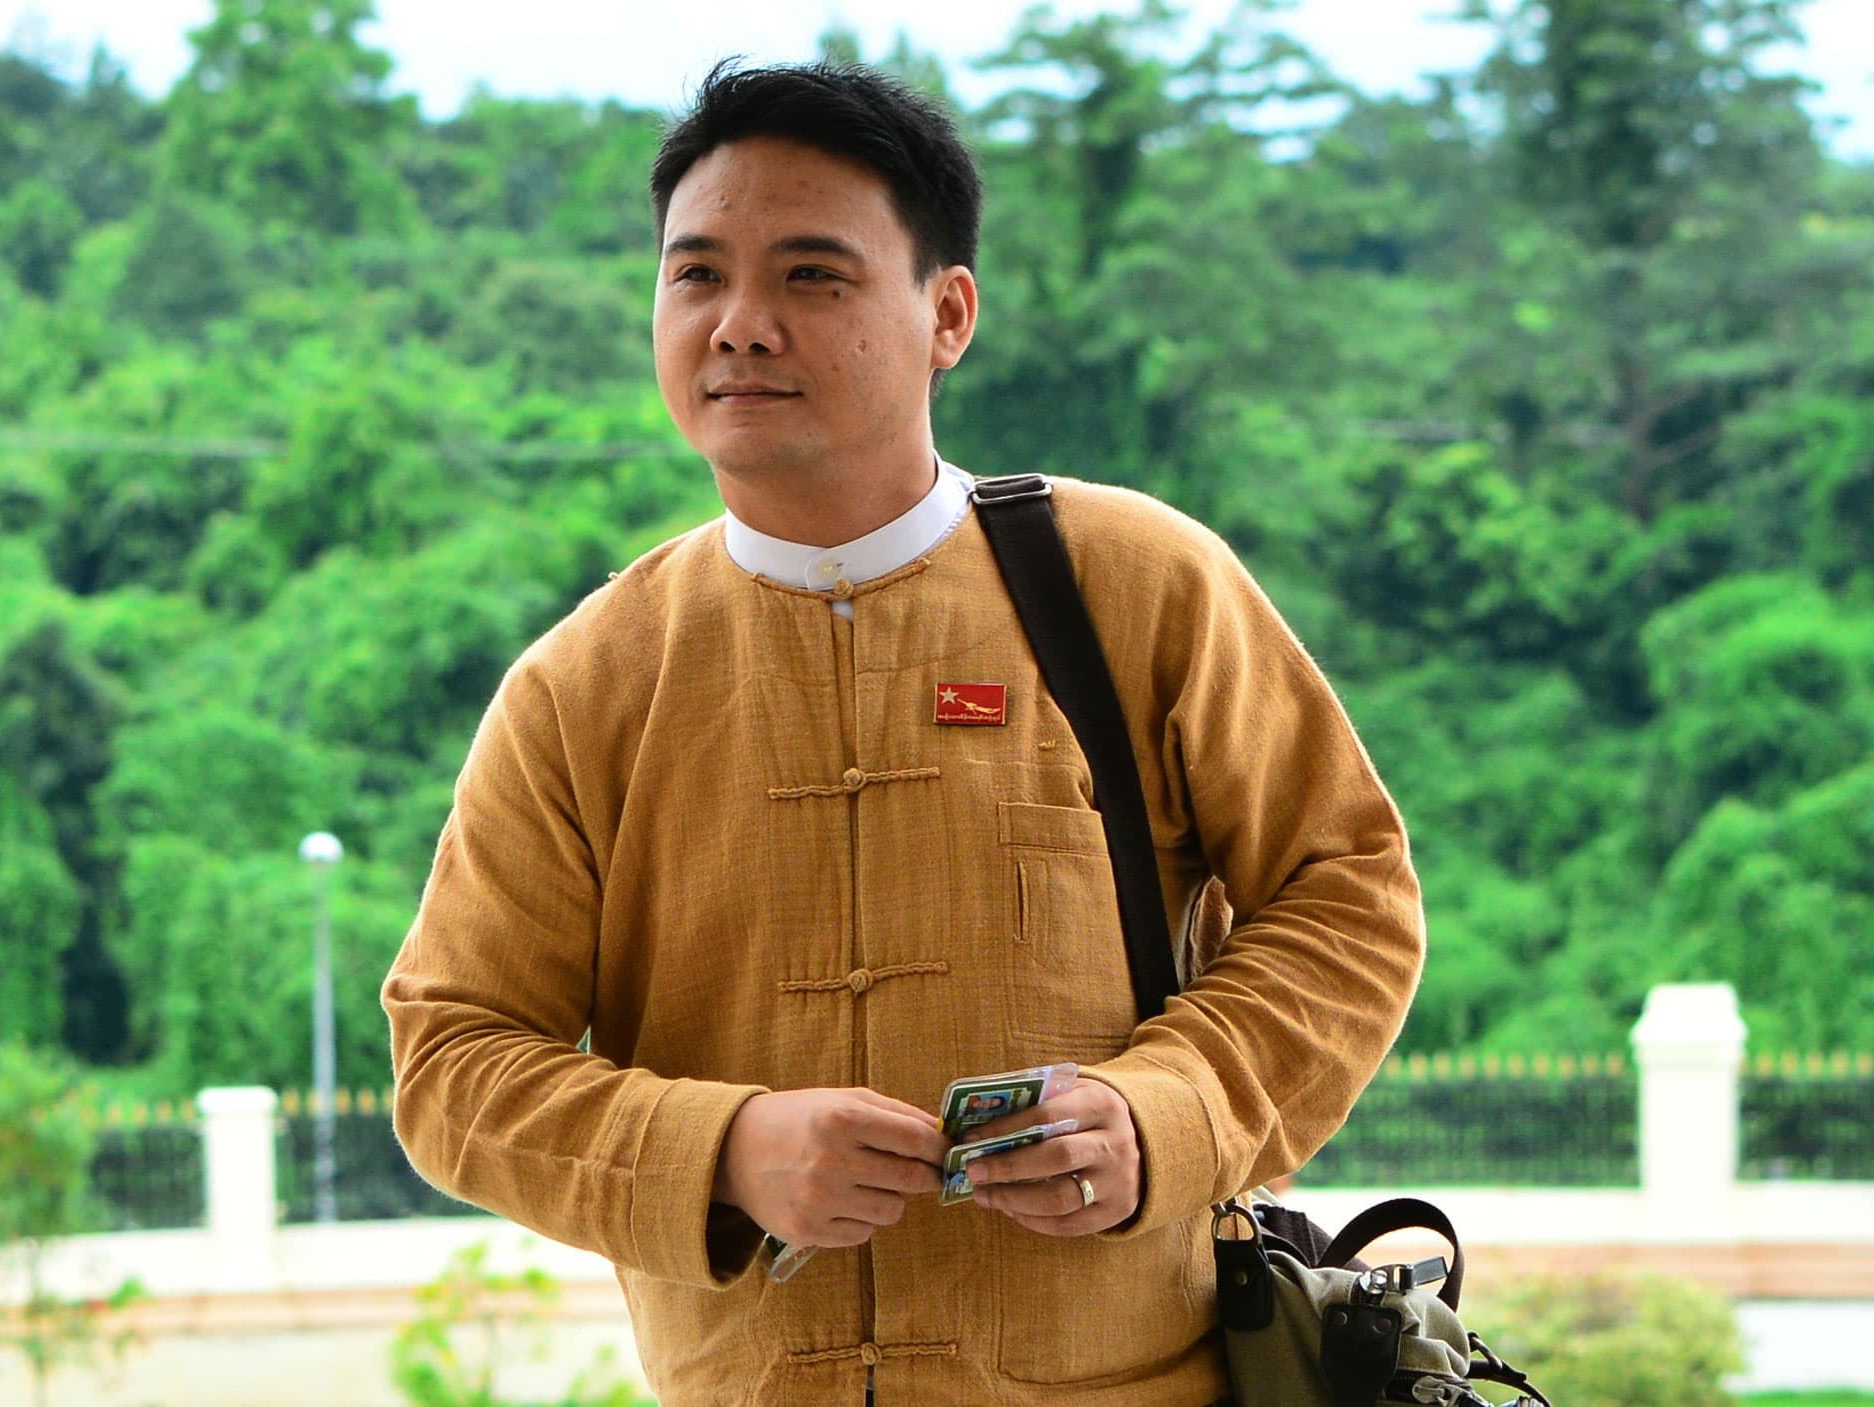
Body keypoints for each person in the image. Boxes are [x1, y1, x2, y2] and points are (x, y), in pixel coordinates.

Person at [383, 58, 1425, 1407]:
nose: (740, 326)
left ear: (948, 314)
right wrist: (722, 1151)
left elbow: (1349, 895)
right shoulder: (588, 683)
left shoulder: (1135, 586)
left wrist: (1164, 1113)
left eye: (812, 275)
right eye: (696, 275)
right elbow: (452, 1061)